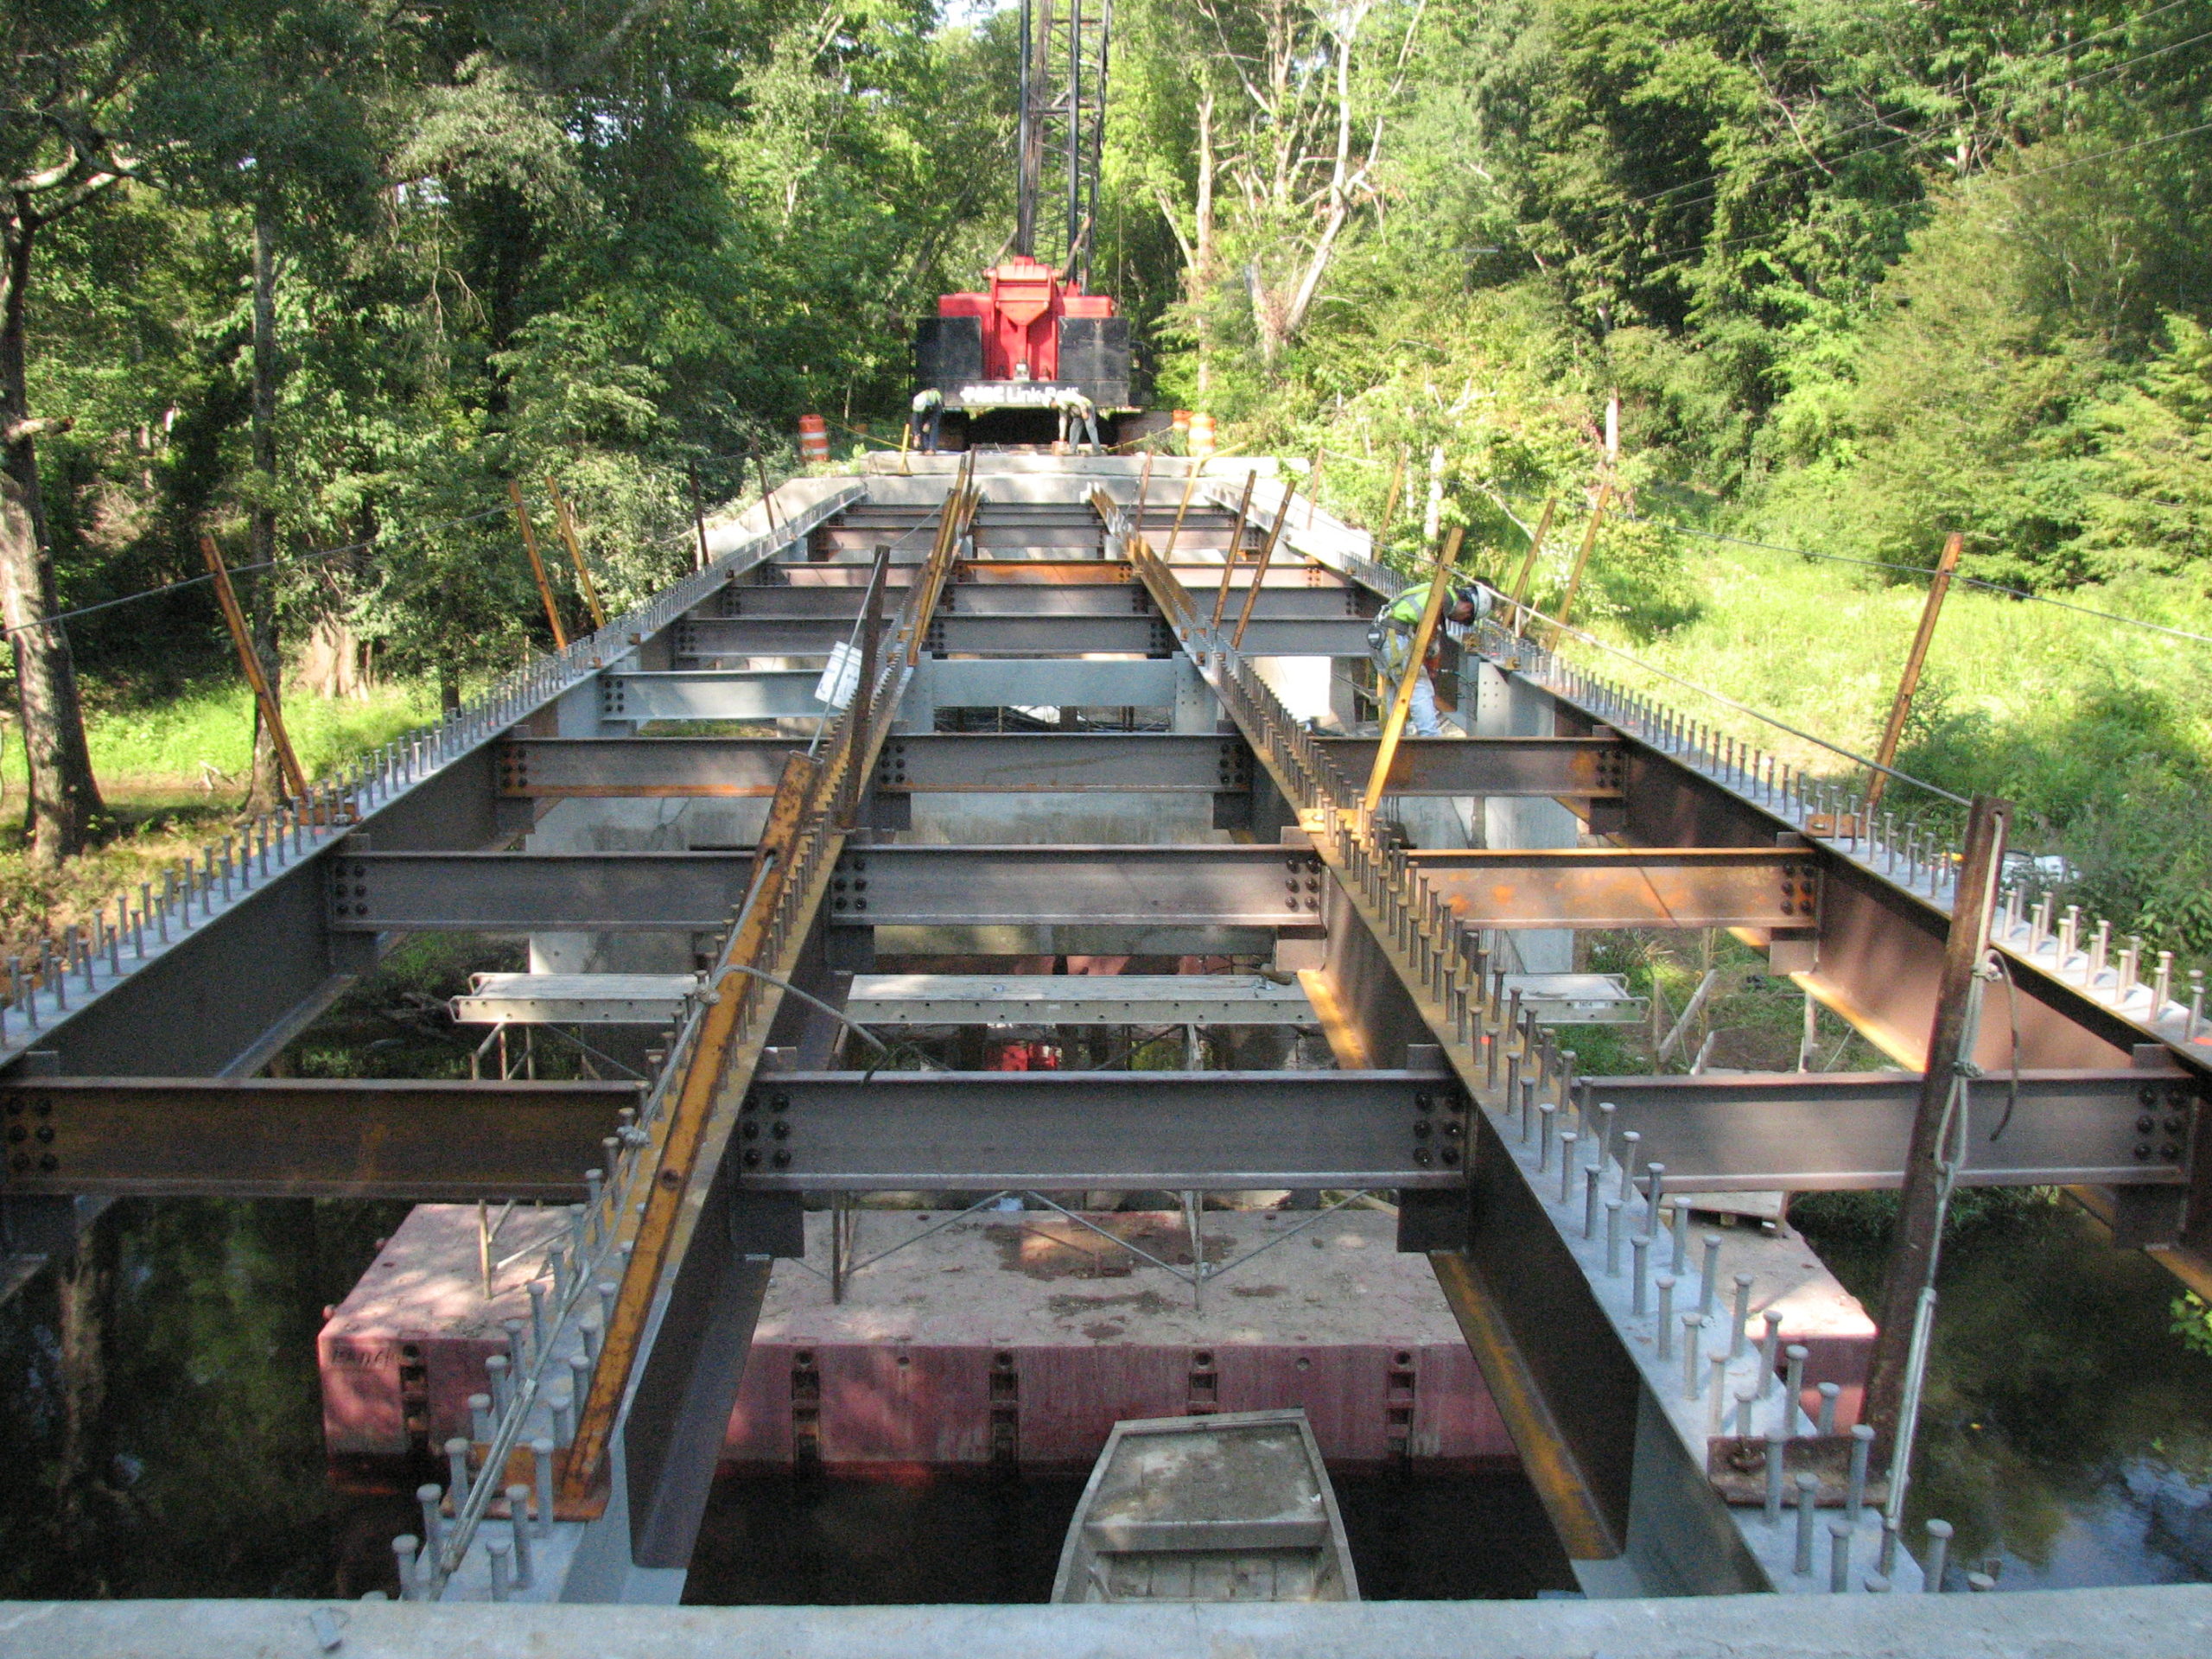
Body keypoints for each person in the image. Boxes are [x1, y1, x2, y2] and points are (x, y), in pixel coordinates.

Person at [1368, 580, 1493, 735]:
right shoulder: (1443, 599)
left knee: (1395, 686)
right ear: (1468, 608)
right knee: (1419, 685)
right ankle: (1430, 736)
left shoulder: (1439, 590)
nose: (1458, 621)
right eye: (1465, 619)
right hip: (1393, 636)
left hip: (1383, 634)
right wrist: (1431, 669)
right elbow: (1430, 640)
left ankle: (1393, 737)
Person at [1052, 386, 1100, 454]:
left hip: (1086, 407)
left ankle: (1097, 450)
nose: (1053, 406)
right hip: (1077, 413)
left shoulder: (1063, 398)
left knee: (1090, 428)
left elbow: (1079, 401)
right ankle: (1072, 450)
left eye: (1052, 404)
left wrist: (1084, 412)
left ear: (1054, 401)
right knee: (1074, 429)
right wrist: (1061, 437)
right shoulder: (1061, 406)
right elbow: (1063, 420)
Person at [910, 386, 944, 453]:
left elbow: (937, 414)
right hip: (926, 409)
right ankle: (925, 448)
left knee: (934, 425)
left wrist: (928, 423)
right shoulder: (917, 401)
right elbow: (915, 418)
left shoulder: (935, 399)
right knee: (922, 425)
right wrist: (916, 434)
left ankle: (932, 448)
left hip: (935, 409)